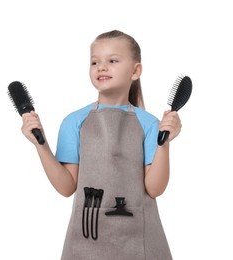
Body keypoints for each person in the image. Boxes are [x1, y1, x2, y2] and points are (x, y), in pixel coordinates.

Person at [21, 30, 181, 260]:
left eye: (112, 60)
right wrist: (41, 145)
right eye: (95, 61)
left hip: (139, 240)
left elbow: (155, 189)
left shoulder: (149, 124)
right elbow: (67, 187)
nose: (101, 67)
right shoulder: (74, 122)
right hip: (87, 235)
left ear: (135, 71)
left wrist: (164, 144)